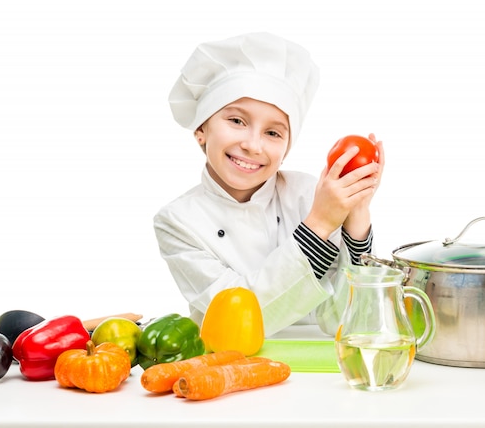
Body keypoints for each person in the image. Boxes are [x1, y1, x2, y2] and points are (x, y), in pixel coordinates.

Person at [154, 32, 385, 337]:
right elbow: (235, 321)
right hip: (229, 368)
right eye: (237, 121)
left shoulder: (309, 194)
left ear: (287, 149)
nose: (253, 145)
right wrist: (319, 224)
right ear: (201, 129)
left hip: (319, 369)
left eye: (273, 133)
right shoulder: (178, 221)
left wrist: (357, 220)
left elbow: (354, 322)